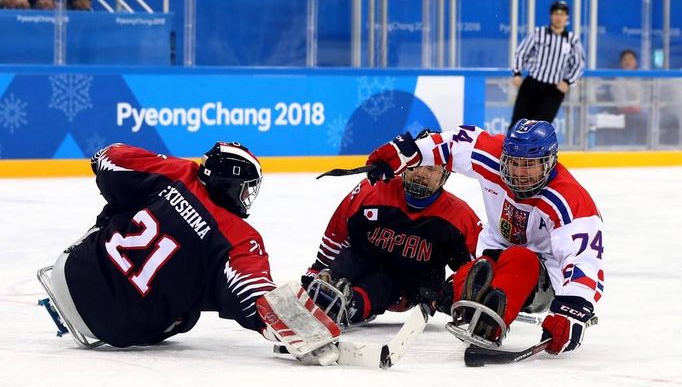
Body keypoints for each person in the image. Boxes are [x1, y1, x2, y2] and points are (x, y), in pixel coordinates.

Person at [37, 142, 340, 364]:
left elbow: (108, 159)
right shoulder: (241, 238)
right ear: (231, 184)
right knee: (190, 309)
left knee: (125, 206)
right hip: (116, 328)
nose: (248, 196)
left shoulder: (179, 172)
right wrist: (303, 330)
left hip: (70, 271)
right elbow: (256, 297)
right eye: (247, 188)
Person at [365, 120, 604, 356]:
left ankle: (490, 324)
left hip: (542, 278)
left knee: (520, 258)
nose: (519, 173)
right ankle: (471, 305)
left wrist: (572, 309)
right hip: (494, 257)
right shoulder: (492, 156)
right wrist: (405, 152)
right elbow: (450, 144)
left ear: (550, 161)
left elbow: (584, 259)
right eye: (514, 163)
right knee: (473, 272)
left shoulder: (570, 199)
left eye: (530, 165)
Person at [302, 130, 482, 327]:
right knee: (351, 258)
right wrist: (319, 269)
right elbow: (338, 231)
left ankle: (351, 304)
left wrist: (449, 293)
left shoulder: (459, 216)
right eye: (417, 166)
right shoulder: (373, 190)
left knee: (385, 281)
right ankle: (324, 287)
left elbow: (479, 265)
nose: (421, 174)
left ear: (445, 175)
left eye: (431, 169)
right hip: (365, 258)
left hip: (411, 281)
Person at [511, 0, 585, 130]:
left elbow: (579, 64)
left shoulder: (572, 40)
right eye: (556, 13)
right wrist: (517, 73)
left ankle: (533, 151)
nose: (559, 17)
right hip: (532, 85)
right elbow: (521, 52)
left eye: (562, 14)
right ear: (551, 16)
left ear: (567, 17)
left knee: (540, 127)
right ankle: (509, 150)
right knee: (519, 122)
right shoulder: (538, 33)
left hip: (554, 90)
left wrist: (568, 81)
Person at [609, 49, 647, 145]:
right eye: (625, 59)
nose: (627, 62)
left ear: (635, 62)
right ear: (621, 64)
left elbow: (644, 99)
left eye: (630, 59)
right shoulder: (617, 82)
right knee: (637, 119)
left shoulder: (641, 80)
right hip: (624, 114)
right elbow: (621, 103)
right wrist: (634, 107)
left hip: (641, 112)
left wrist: (639, 107)